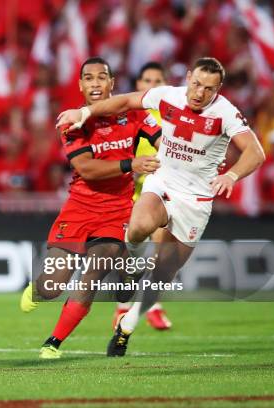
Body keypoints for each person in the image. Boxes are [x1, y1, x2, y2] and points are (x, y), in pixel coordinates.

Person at [56, 57, 265, 357]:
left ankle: (126, 326)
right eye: (195, 84)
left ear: (218, 89)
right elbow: (125, 101)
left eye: (208, 89)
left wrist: (231, 175)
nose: (198, 93)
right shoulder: (169, 95)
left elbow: (255, 153)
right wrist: (84, 111)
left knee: (163, 274)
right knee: (139, 226)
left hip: (196, 201)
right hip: (162, 182)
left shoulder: (226, 113)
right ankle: (129, 270)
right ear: (188, 76)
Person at [21, 57, 162, 359]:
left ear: (112, 83)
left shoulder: (136, 114)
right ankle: (38, 291)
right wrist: (131, 164)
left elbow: (163, 141)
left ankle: (53, 342)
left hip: (118, 210)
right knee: (51, 286)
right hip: (79, 208)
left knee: (94, 272)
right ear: (80, 85)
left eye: (102, 77)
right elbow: (87, 169)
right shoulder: (72, 120)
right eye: (88, 78)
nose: (95, 83)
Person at [114, 61, 172, 331]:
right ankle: (123, 308)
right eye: (147, 80)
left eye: (157, 81)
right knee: (131, 253)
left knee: (160, 250)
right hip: (129, 190)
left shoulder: (173, 118)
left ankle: (153, 306)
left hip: (160, 189)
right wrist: (132, 167)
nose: (152, 85)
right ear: (138, 85)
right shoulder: (129, 113)